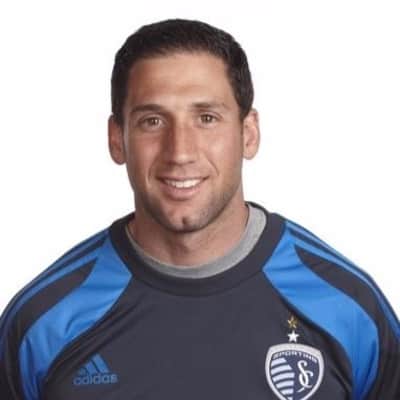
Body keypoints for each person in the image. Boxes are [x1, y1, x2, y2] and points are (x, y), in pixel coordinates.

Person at [0, 18, 399, 400]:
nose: (180, 152)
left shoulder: (349, 309)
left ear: (249, 134)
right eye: (152, 121)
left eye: (207, 118)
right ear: (117, 139)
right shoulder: (41, 323)